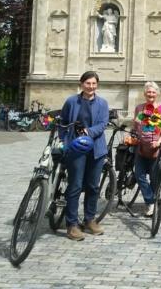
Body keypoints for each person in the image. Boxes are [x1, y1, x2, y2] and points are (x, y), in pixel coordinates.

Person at [59, 71, 110, 241]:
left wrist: (89, 132)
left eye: (94, 83)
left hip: (96, 149)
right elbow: (63, 122)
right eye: (88, 83)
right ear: (81, 84)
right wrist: (63, 141)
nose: (91, 87)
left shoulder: (102, 103)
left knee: (93, 186)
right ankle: (72, 224)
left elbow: (103, 123)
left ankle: (89, 219)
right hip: (76, 148)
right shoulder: (72, 101)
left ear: (97, 85)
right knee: (75, 185)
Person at [133, 82, 161, 217]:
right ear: (144, 93)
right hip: (141, 146)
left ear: (157, 94)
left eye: (153, 92)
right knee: (139, 175)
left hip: (156, 148)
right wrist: (132, 136)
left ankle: (152, 204)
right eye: (148, 92)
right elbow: (136, 127)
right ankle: (151, 201)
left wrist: (158, 142)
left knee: (154, 177)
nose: (151, 94)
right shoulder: (139, 108)